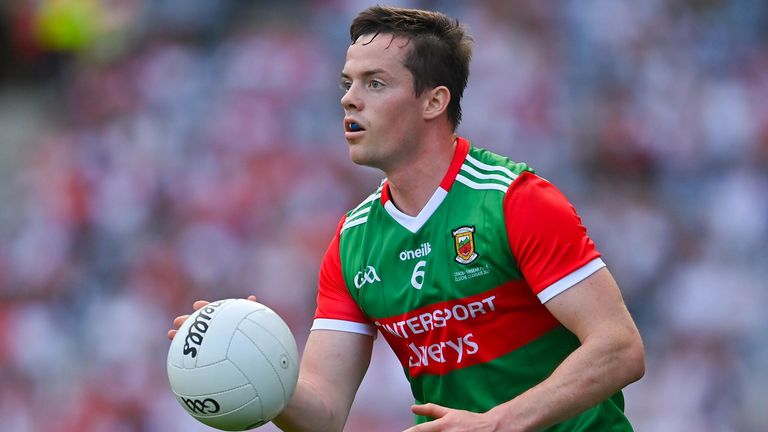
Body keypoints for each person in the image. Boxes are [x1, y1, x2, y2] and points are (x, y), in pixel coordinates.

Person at [168, 6, 645, 431]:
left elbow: (620, 348)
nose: (349, 99)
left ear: (434, 101)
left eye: (375, 83)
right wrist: (253, 367)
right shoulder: (352, 244)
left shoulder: (514, 201)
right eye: (347, 83)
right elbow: (324, 413)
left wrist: (498, 423)